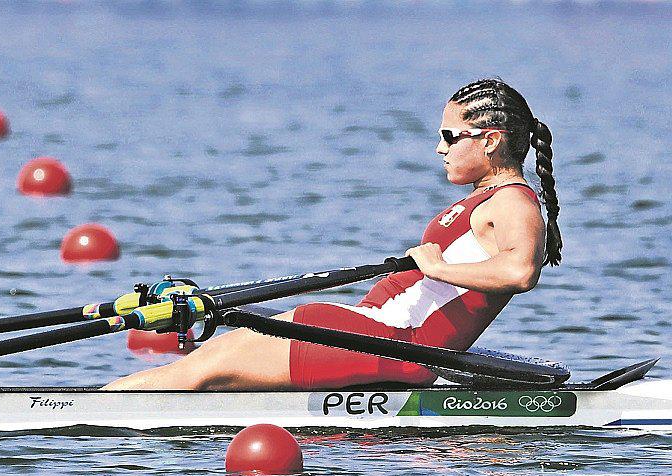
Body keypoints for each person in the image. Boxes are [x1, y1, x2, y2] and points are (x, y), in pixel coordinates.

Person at [104, 78, 562, 391]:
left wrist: (439, 267)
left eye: (450, 134)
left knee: (205, 368)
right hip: (371, 328)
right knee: (208, 359)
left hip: (395, 344)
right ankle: (91, 402)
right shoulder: (487, 197)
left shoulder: (513, 202)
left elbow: (519, 271)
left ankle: (70, 415)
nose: (440, 147)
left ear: (489, 140)